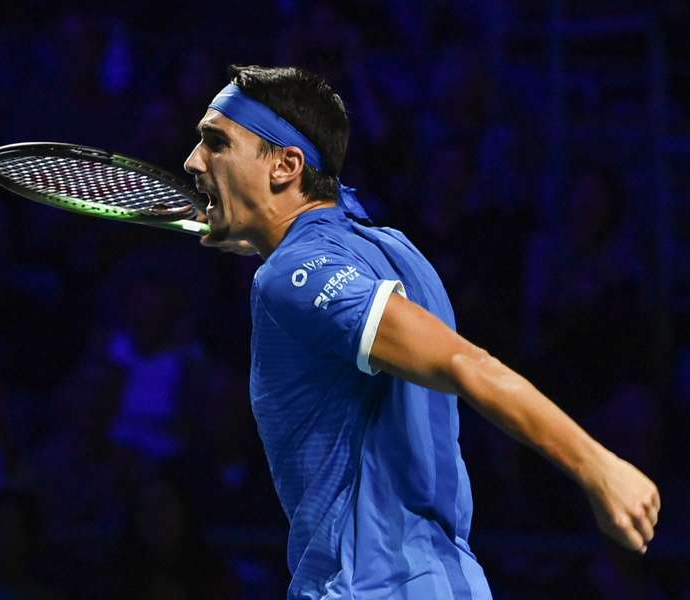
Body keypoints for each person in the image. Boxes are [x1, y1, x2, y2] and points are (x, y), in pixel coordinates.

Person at [182, 65, 660, 599]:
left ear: (285, 165)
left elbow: (467, 364)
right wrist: (265, 238)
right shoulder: (394, 249)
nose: (193, 160)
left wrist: (598, 467)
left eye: (216, 142)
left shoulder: (290, 277)